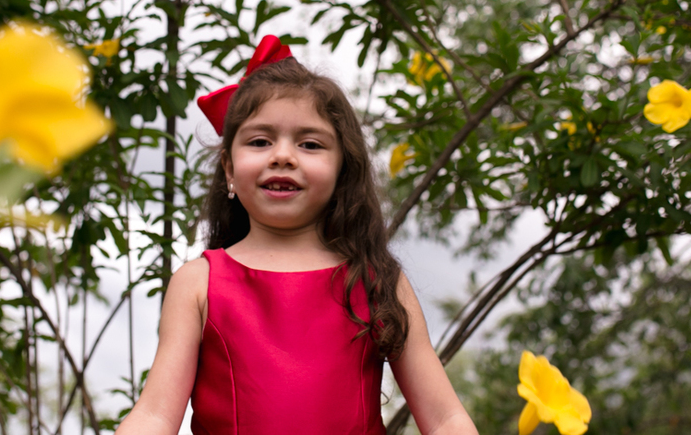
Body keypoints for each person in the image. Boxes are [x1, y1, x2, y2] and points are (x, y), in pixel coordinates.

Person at [113, 36, 480, 435]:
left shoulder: (377, 280)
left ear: (343, 168)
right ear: (229, 169)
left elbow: (445, 418)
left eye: (309, 143)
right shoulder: (197, 283)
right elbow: (154, 417)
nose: (283, 156)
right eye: (259, 141)